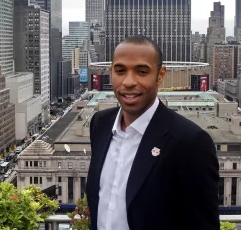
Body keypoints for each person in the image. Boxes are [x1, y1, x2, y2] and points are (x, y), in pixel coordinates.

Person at [86, 36, 219, 230]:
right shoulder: (100, 124)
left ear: (160, 75)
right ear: (111, 73)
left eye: (142, 71)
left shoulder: (190, 142)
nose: (129, 82)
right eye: (120, 71)